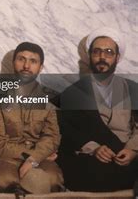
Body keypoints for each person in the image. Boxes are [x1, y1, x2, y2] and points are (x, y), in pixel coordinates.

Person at [58, 28, 138, 192]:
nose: (102, 57)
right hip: (91, 158)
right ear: (90, 57)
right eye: (97, 52)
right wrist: (93, 148)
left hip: (128, 153)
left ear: (117, 57)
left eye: (109, 52)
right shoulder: (74, 93)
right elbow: (67, 131)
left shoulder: (132, 89)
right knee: (92, 172)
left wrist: (133, 149)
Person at [0, 42, 63, 194]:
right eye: (21, 59)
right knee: (2, 181)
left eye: (33, 61)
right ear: (13, 63)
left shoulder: (50, 99)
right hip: (8, 158)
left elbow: (52, 137)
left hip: (42, 160)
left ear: (41, 67)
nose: (26, 65)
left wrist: (34, 159)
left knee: (53, 180)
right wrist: (30, 155)